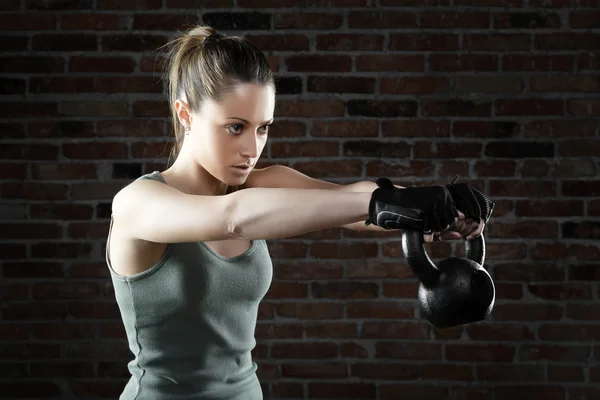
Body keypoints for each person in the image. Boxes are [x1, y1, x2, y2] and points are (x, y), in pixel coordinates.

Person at [105, 25, 494, 400]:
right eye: (236, 127)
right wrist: (381, 204)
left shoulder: (262, 183)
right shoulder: (138, 203)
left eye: (263, 128)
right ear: (186, 115)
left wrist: (436, 205)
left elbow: (345, 200)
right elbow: (233, 217)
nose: (252, 148)